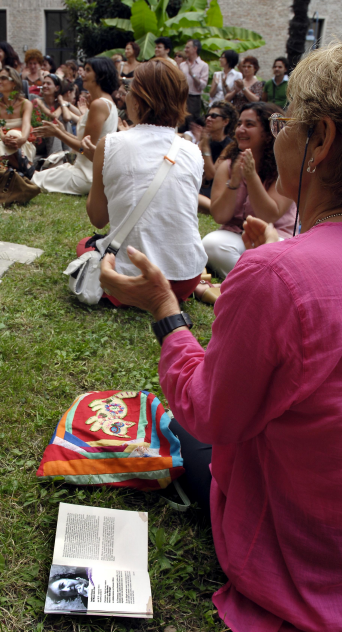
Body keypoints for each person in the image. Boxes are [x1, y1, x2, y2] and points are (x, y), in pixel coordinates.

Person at [99, 41, 342, 632]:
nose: (278, 136)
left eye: (286, 123)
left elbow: (210, 412)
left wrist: (164, 309)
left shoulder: (277, 278)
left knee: (186, 420)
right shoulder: (279, 267)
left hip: (305, 557)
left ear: (323, 139)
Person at [81, 57, 206, 307]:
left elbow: (98, 218)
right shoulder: (192, 150)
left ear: (137, 99)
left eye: (129, 89)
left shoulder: (110, 144)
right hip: (185, 278)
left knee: (85, 245)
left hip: (131, 278)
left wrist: (98, 167)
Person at [201, 102, 296, 278]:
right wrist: (235, 181)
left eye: (249, 124)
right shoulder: (228, 166)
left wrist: (251, 177)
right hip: (236, 235)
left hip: (275, 237)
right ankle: (257, 279)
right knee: (211, 243)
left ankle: (254, 278)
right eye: (239, 124)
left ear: (268, 133)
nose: (241, 130)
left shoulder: (285, 167)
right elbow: (220, 216)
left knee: (274, 253)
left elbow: (270, 216)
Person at [30, 57, 118, 195]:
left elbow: (85, 149)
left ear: (100, 75)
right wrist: (61, 131)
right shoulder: (105, 102)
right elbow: (86, 143)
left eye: (88, 70)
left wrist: (58, 134)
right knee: (36, 174)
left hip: (86, 176)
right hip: (85, 172)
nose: (82, 74)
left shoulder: (99, 104)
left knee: (34, 179)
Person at [196, 100, 238, 213]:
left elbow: (211, 175)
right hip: (201, 186)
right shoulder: (205, 140)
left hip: (215, 189)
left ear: (225, 121)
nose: (208, 119)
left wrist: (204, 148)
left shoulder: (230, 145)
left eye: (214, 116)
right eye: (208, 115)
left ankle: (214, 208)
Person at [0, 66, 35, 170]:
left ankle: (21, 167)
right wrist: (3, 138)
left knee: (14, 134)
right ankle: (25, 169)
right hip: (2, 140)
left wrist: (23, 139)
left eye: (3, 78)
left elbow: (26, 124)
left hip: (21, 142)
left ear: (14, 83)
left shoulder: (25, 104)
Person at [179, 39, 209, 118]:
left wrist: (192, 75)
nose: (185, 50)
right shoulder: (182, 65)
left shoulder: (203, 65)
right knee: (181, 123)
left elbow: (202, 85)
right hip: (182, 98)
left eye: (187, 48)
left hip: (194, 99)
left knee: (191, 123)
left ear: (195, 49)